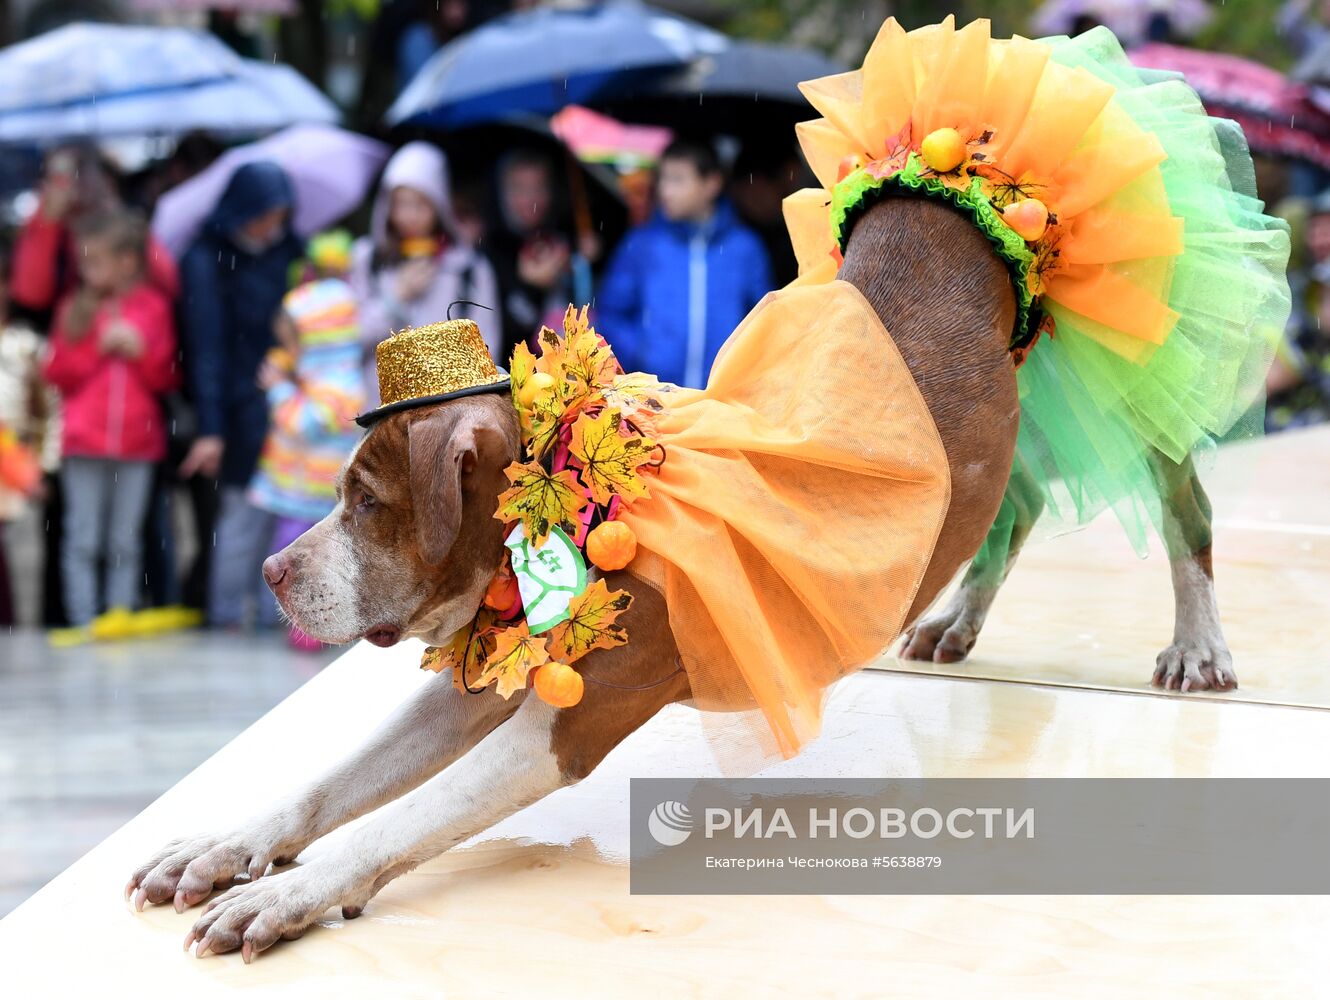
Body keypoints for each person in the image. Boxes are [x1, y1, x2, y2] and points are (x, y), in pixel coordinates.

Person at [41, 210, 179, 637]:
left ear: (126, 262)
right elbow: (57, 373)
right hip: (83, 442)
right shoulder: (73, 309)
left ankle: (116, 615)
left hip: (138, 443)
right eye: (84, 262)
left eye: (95, 261)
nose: (87, 271)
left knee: (125, 539)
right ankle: (83, 620)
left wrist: (142, 352)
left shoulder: (153, 307)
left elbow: (168, 376)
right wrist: (96, 349)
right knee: (82, 536)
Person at [177, 161, 302, 628]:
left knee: (287, 514)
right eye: (265, 214)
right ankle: (228, 616)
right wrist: (211, 427)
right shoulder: (205, 257)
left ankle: (278, 618)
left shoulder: (291, 251)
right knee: (240, 517)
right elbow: (206, 347)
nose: (272, 225)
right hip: (236, 403)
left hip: (289, 398)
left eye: (281, 214)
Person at [247, 248, 367, 649]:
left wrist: (280, 390)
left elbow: (305, 424)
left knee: (307, 562)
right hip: (296, 488)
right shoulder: (317, 379)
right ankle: (280, 618)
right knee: (282, 559)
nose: (291, 353)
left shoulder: (341, 386)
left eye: (296, 344)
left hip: (316, 495)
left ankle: (309, 628)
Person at [595, 138, 773, 388]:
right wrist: (640, 353)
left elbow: (765, 321)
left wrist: (742, 370)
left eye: (678, 179)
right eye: (663, 179)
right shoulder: (642, 244)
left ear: (711, 184)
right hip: (655, 399)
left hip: (723, 398)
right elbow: (611, 312)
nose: (665, 190)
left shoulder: (745, 248)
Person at [350, 141, 500, 406]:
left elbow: (486, 349)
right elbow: (350, 339)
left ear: (439, 205)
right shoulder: (368, 259)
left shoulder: (469, 268)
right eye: (400, 204)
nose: (409, 216)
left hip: (445, 414)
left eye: (421, 204)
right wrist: (395, 299)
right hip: (379, 414)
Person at [489, 148, 584, 358]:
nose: (530, 199)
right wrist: (531, 289)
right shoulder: (490, 251)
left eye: (539, 187)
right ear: (502, 193)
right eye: (519, 189)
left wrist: (586, 262)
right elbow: (503, 337)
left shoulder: (568, 237)